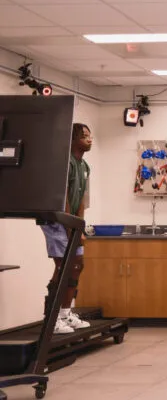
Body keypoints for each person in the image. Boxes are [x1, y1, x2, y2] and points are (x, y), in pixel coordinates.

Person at [40, 123, 93, 334]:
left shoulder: (84, 166)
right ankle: (51, 319)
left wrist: (78, 227)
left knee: (78, 264)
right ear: (72, 139)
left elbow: (80, 200)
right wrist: (70, 228)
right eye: (85, 136)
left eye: (90, 136)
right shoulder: (65, 164)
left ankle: (65, 314)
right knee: (63, 266)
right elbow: (64, 200)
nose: (90, 140)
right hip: (55, 221)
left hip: (71, 223)